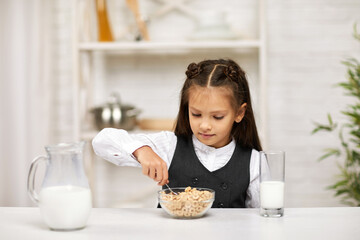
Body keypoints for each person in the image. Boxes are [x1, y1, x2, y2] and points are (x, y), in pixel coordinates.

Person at [92, 59, 262, 208]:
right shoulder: (170, 145)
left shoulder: (254, 162)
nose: (204, 125)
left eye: (217, 117)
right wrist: (141, 150)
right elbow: (102, 141)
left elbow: (259, 217)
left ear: (239, 113)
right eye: (196, 114)